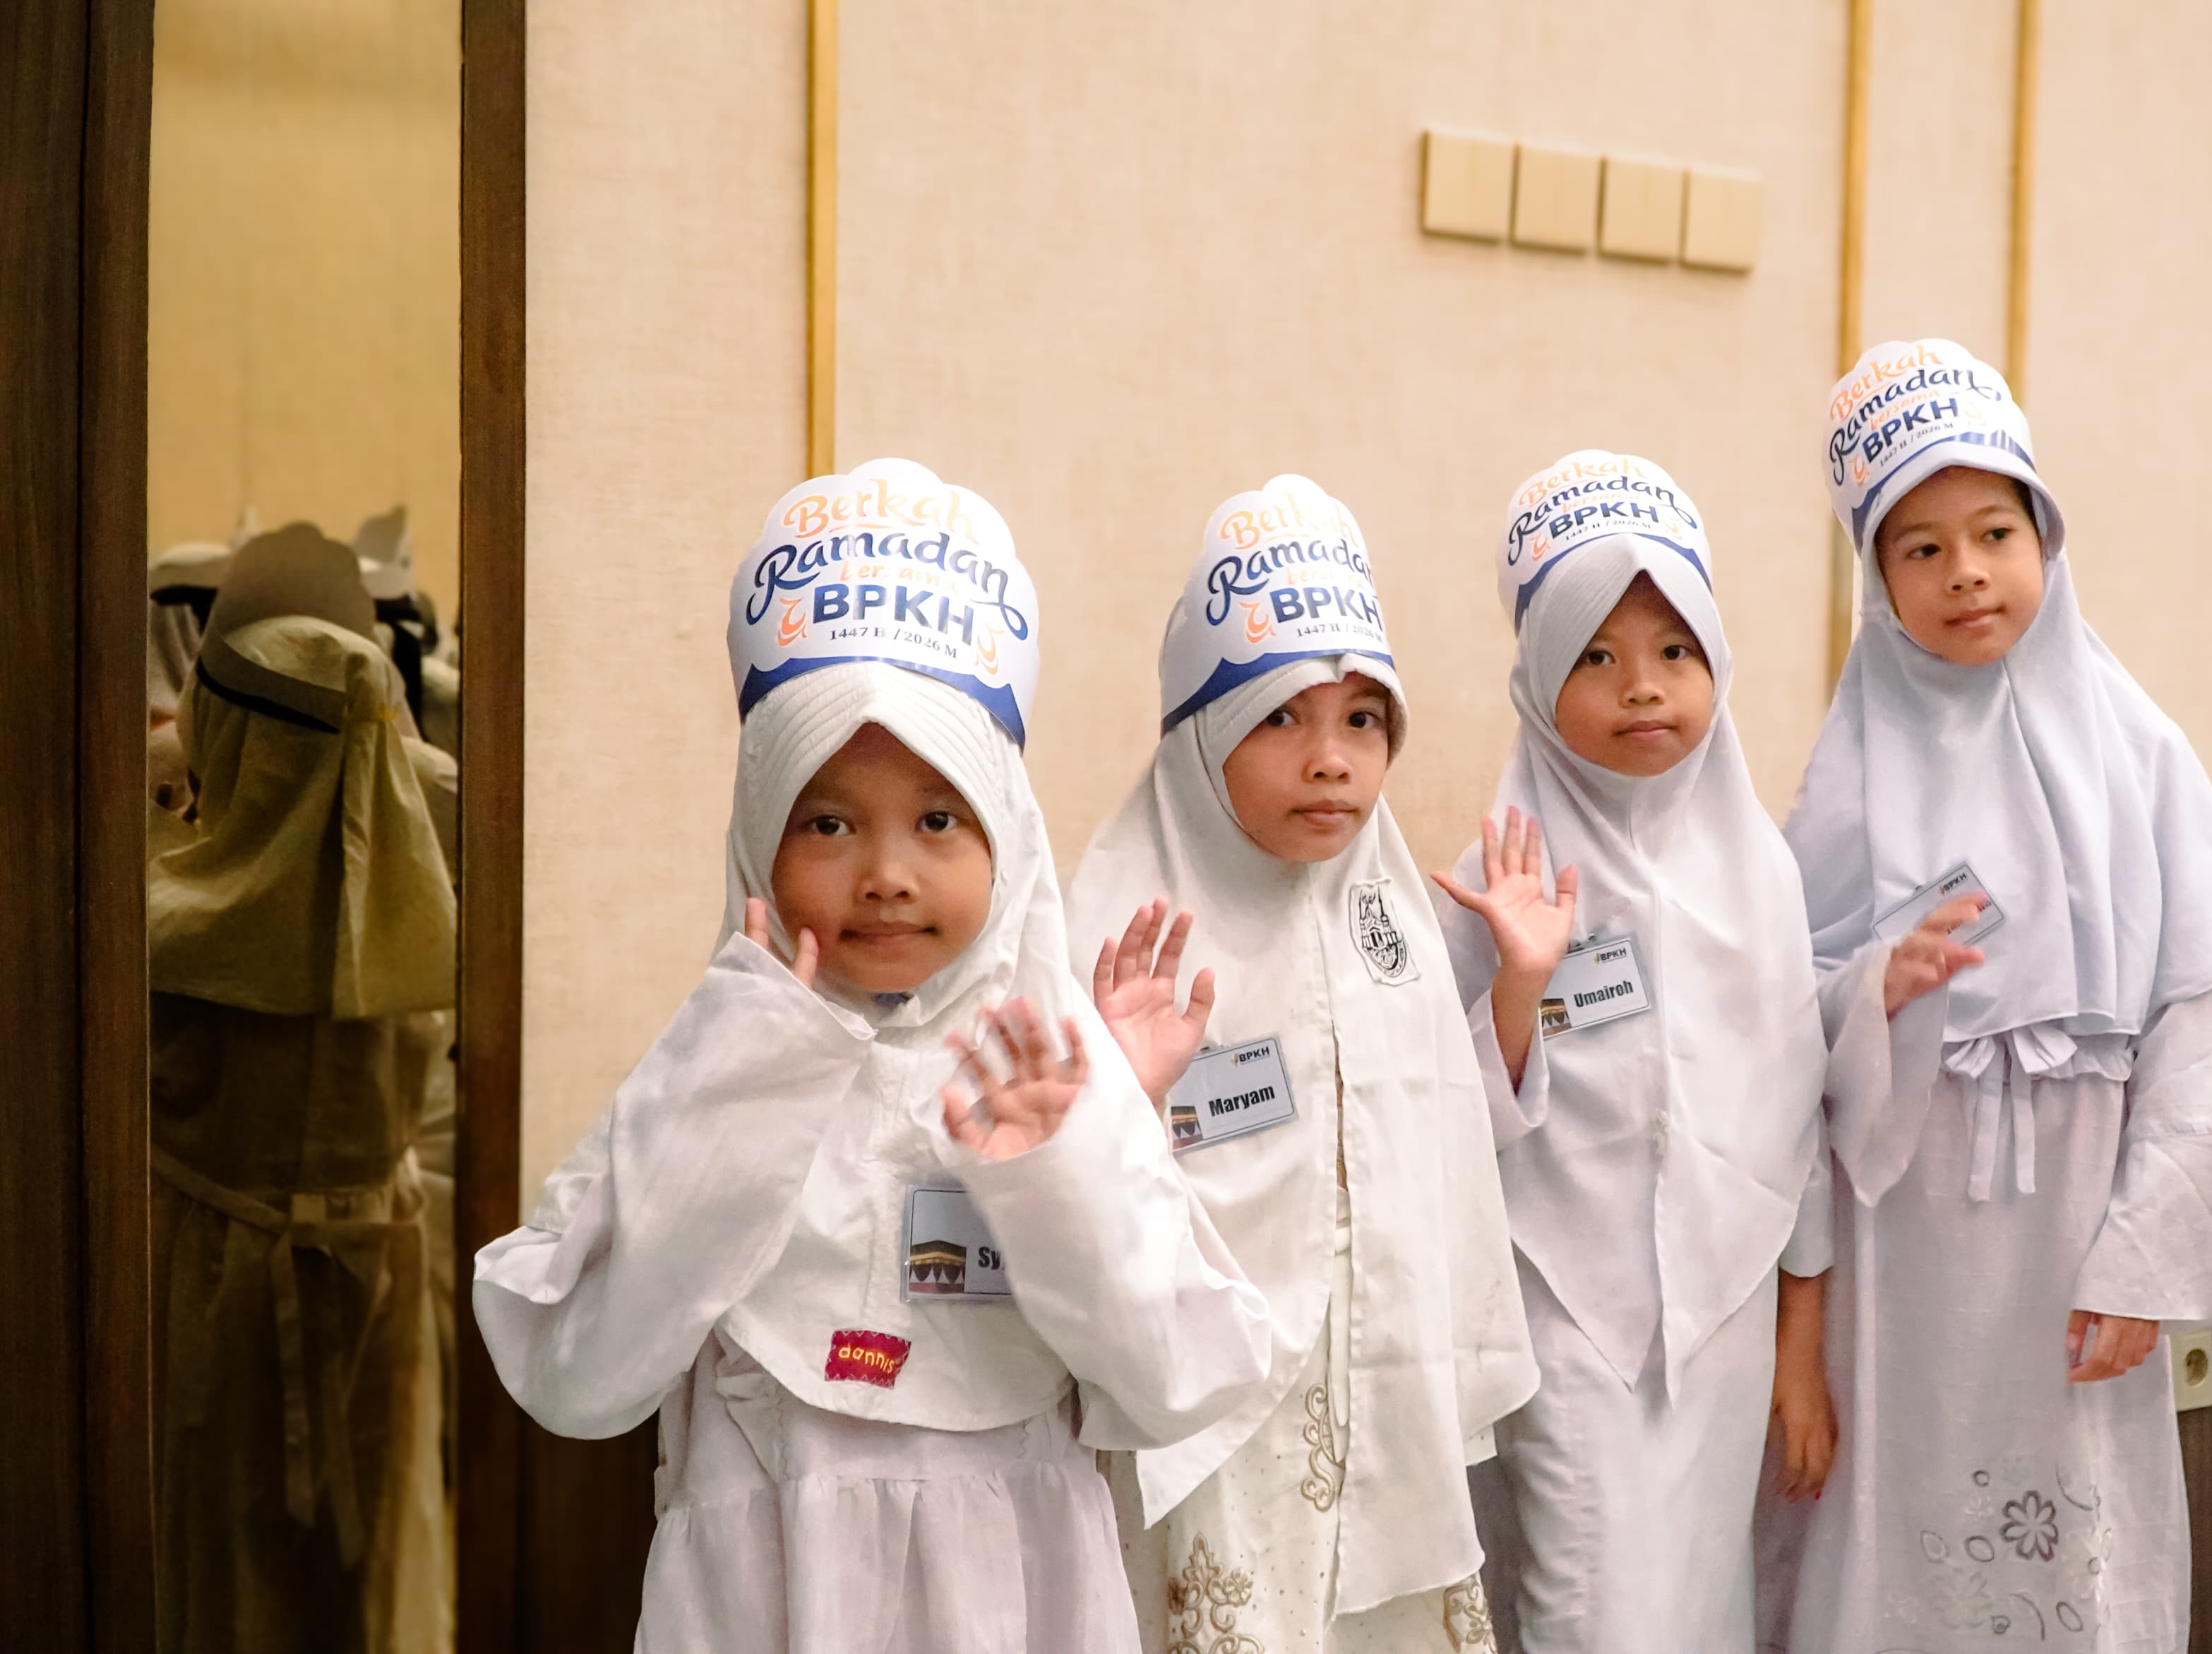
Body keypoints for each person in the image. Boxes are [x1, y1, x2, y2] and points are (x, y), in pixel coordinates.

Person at [473, 458, 1275, 1654]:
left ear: (1008, 837)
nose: (887, 873)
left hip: (1021, 1593)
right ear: (758, 837)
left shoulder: (1052, 1067)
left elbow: (1178, 1379)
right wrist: (743, 1083)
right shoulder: (717, 1060)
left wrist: (1053, 1166)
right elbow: (576, 1376)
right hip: (767, 1592)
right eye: (829, 821)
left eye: (939, 820)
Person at [1761, 339, 2212, 1653]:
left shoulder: (2138, 755)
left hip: (2078, 1237)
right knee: (1904, 1527)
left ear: (2045, 536)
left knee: (2076, 1549)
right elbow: (1776, 1033)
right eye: (1922, 547)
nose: (1965, 572)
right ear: (1877, 576)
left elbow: (2203, 1025)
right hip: (1904, 1252)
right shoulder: (1850, 770)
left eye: (1995, 532)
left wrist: (2149, 1261)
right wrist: (1877, 988)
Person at [1070, 473, 1534, 1651]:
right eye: (1282, 716)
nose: (1331, 760)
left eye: (1362, 719)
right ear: (1202, 727)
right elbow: (1071, 1204)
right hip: (1216, 1413)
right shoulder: (1123, 931)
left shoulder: (1392, 924)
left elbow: (1444, 1143)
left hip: (1385, 1373)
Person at [1431, 451, 1829, 1653]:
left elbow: (1798, 1116)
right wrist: (1520, 978)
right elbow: (1452, 1124)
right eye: (1595, 657)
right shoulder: (1499, 871)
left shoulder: (1763, 870)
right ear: (1538, 681)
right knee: (1586, 1604)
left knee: (1707, 1610)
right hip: (1565, 1302)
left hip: (1726, 1312)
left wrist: (1799, 1351)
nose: (1641, 686)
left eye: (1673, 651)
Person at [148, 535, 460, 1652]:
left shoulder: (155, 925)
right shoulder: (420, 907)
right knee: (305, 1566)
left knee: (277, 1571)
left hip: (235, 1277)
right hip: (321, 1272)